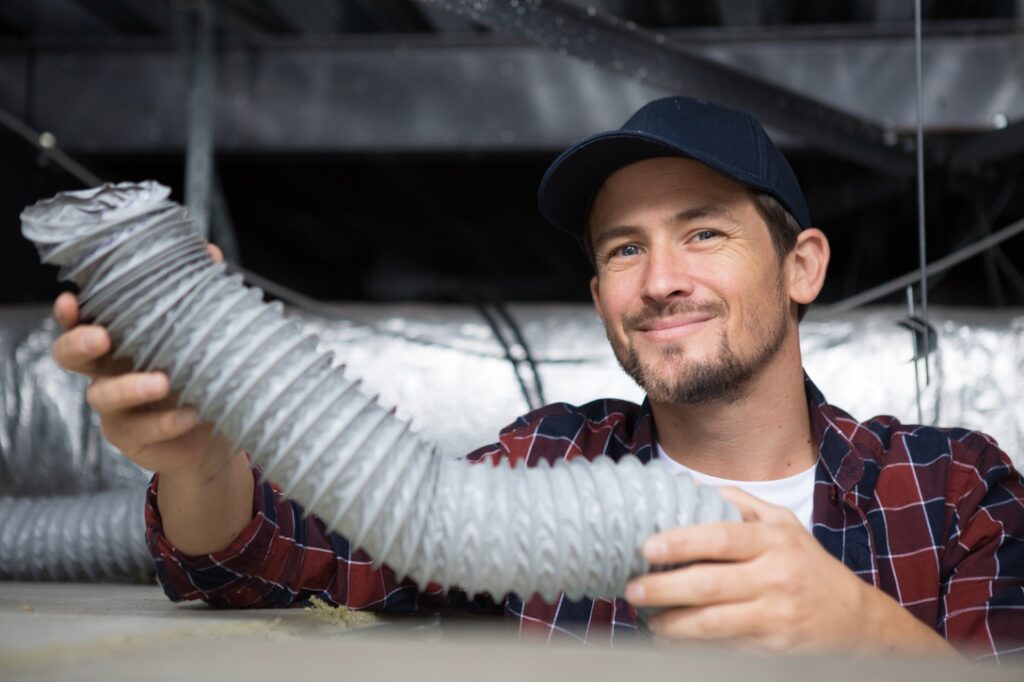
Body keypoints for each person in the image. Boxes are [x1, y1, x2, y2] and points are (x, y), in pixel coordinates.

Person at [50, 96, 1023, 658]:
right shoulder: (548, 462)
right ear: (599, 295)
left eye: (703, 232)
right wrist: (200, 457)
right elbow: (267, 559)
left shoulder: (950, 491)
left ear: (801, 266)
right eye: (624, 248)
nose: (661, 279)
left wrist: (861, 632)